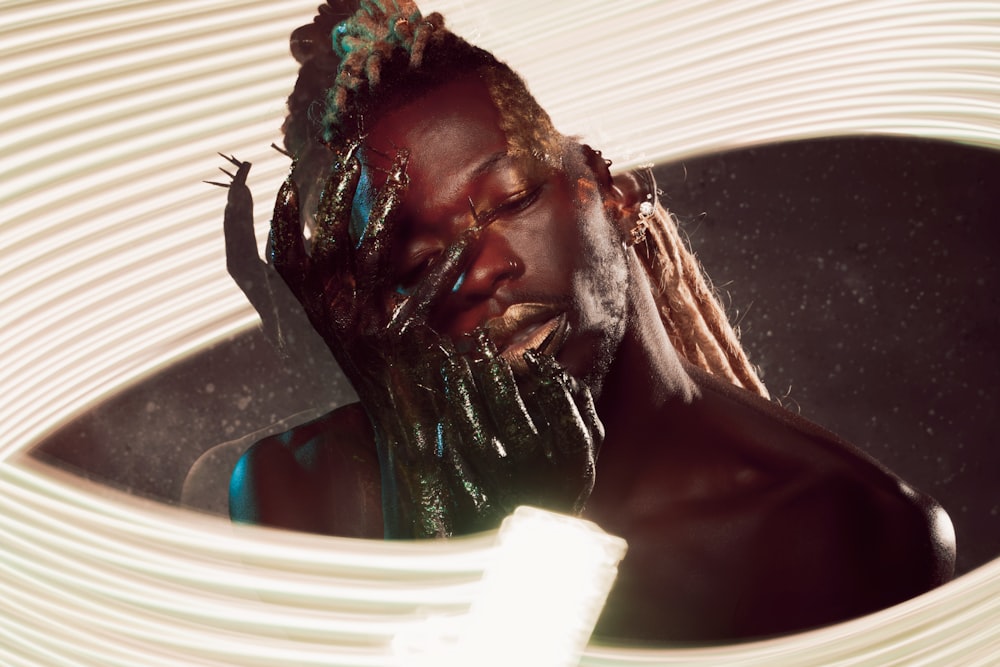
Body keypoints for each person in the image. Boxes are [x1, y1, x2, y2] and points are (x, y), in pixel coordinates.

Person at [221, 0, 955, 642]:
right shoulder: (304, 498)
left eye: (509, 203)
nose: (477, 274)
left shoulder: (843, 531)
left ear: (609, 191)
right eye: (415, 267)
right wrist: (454, 534)